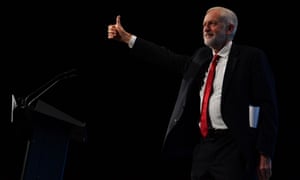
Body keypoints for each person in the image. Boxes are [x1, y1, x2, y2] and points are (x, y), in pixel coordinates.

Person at [107, 6, 278, 180]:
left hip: (234, 146)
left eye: (213, 24)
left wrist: (265, 153)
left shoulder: (250, 57)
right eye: (204, 24)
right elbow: (167, 58)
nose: (206, 28)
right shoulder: (202, 56)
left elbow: (268, 106)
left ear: (230, 29)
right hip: (205, 146)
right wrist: (129, 39)